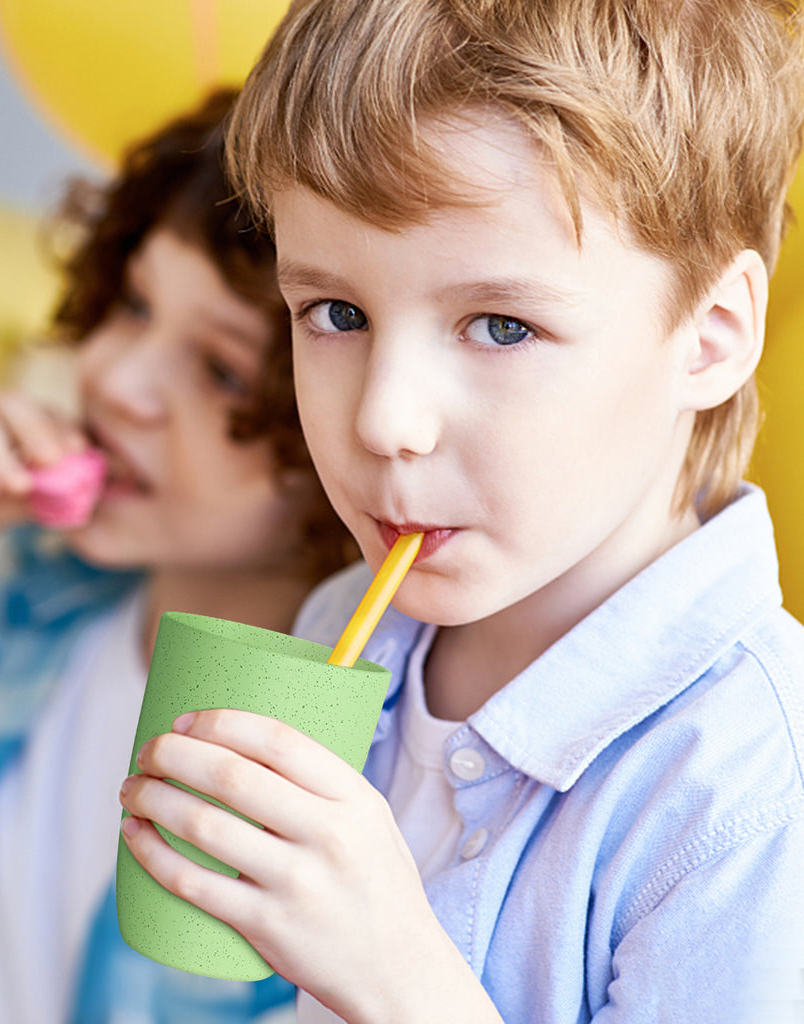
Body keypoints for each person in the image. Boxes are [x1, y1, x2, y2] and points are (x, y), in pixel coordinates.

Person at [117, 3, 804, 1022]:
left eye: (499, 324)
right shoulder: (344, 628)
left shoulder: (748, 790)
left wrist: (396, 979)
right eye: (336, 313)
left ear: (708, 335)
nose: (386, 419)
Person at [0, 88, 356, 1023]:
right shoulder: (31, 580)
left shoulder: (343, 758)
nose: (119, 383)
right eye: (131, 304)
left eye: (219, 371)